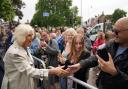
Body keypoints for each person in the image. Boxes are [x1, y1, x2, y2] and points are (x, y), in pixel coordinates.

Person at [66, 17, 128, 89]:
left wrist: (114, 73)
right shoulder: (112, 43)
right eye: (113, 30)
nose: (114, 34)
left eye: (117, 31)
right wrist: (80, 64)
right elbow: (97, 57)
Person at [1, 24, 68, 89]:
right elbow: (30, 71)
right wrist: (52, 71)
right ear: (21, 36)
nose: (32, 38)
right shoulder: (14, 53)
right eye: (29, 35)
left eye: (32, 35)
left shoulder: (24, 47)